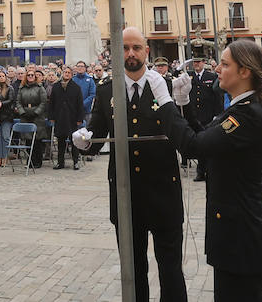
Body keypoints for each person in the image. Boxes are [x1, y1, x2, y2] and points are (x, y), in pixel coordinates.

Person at [158, 39, 262, 302]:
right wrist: (184, 104)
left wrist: (165, 102)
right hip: (235, 234)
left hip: (242, 238)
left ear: (244, 71)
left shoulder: (247, 115)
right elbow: (206, 137)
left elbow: (194, 146)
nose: (218, 69)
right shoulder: (241, 108)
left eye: (225, 64)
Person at [72, 27, 187, 302]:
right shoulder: (106, 90)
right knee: (133, 270)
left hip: (163, 191)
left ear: (147, 51)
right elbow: (97, 134)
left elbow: (185, 130)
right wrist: (85, 141)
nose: (131, 54)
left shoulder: (164, 84)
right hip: (126, 194)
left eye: (136, 47)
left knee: (170, 269)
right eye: (124, 48)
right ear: (115, 53)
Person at [188, 57, 222, 181]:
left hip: (208, 115)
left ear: (203, 63)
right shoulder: (188, 76)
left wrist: (217, 114)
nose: (196, 64)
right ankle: (201, 171)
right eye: (194, 62)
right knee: (198, 144)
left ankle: (206, 170)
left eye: (198, 62)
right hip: (194, 116)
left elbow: (217, 96)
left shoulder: (211, 76)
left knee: (208, 143)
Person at [49, 66, 85, 170]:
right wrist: (51, 116)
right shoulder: (56, 86)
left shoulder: (76, 87)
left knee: (74, 141)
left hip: (72, 118)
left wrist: (80, 118)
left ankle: (75, 162)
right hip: (59, 118)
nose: (67, 74)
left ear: (72, 74)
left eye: (69, 72)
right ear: (62, 73)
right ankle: (60, 163)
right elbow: (51, 103)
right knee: (61, 141)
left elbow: (80, 105)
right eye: (65, 72)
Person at [15, 67, 48, 169]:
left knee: (37, 140)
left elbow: (43, 102)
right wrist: (22, 112)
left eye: (32, 75)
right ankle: (30, 161)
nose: (30, 77)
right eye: (28, 75)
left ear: (35, 77)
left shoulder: (40, 88)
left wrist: (36, 112)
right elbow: (18, 102)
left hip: (37, 116)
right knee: (28, 139)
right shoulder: (22, 88)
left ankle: (38, 161)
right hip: (25, 115)